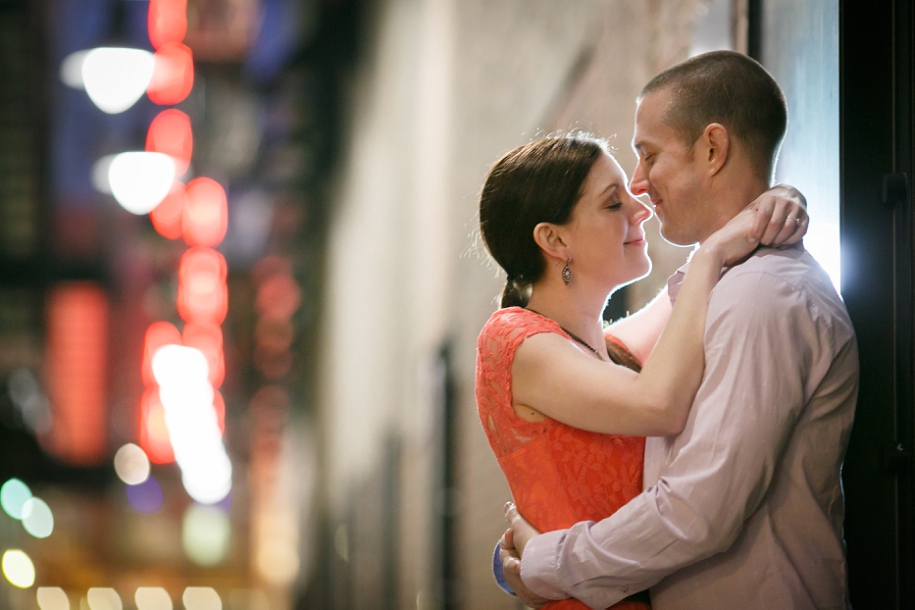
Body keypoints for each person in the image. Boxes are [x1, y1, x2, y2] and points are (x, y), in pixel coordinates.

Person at [500, 51, 858, 610]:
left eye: (649, 156)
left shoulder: (761, 295)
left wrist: (544, 562)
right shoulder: (709, 288)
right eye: (614, 199)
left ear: (713, 149)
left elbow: (697, 511)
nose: (640, 189)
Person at [476, 130, 808, 608]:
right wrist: (711, 255)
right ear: (553, 239)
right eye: (614, 204)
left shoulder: (612, 353)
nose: (642, 210)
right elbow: (661, 404)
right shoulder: (510, 337)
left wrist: (778, 199)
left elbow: (687, 301)